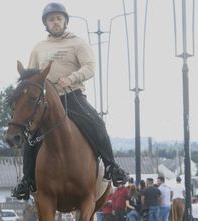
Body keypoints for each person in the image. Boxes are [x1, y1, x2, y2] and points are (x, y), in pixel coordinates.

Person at [12, 2, 128, 200]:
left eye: (59, 18)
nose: (55, 22)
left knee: (96, 122)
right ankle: (27, 179)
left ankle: (111, 166)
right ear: (46, 24)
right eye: (51, 19)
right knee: (30, 135)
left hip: (72, 95)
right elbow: (30, 76)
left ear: (65, 21)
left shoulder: (78, 43)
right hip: (46, 101)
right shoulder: (38, 48)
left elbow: (90, 67)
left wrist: (72, 78)